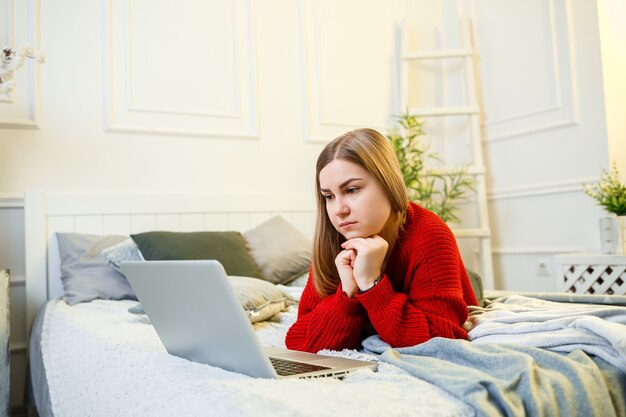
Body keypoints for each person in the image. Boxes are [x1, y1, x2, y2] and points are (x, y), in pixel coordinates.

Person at [285, 128, 478, 353]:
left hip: (442, 283)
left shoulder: (430, 233)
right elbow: (301, 343)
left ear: (389, 185)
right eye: (329, 196)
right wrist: (348, 291)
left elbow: (441, 339)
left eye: (352, 190)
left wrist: (371, 283)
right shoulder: (333, 241)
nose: (339, 210)